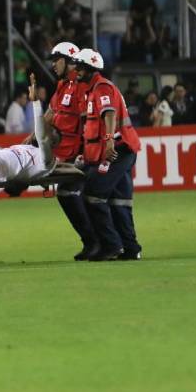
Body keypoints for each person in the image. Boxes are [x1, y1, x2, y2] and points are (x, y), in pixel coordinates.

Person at [26, 42, 98, 260]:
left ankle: (95, 242)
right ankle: (92, 241)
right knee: (67, 195)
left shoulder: (80, 86)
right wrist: (30, 139)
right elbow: (50, 115)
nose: (53, 65)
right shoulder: (62, 86)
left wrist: (84, 152)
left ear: (68, 61)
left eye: (56, 60)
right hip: (61, 154)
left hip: (76, 154)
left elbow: (88, 120)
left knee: (71, 195)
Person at [75, 49, 143, 261]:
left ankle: (111, 246)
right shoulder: (93, 90)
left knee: (93, 194)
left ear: (90, 68)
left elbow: (109, 113)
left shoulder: (101, 87)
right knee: (119, 201)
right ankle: (131, 248)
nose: (77, 70)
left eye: (80, 67)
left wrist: (109, 140)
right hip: (121, 149)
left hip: (117, 150)